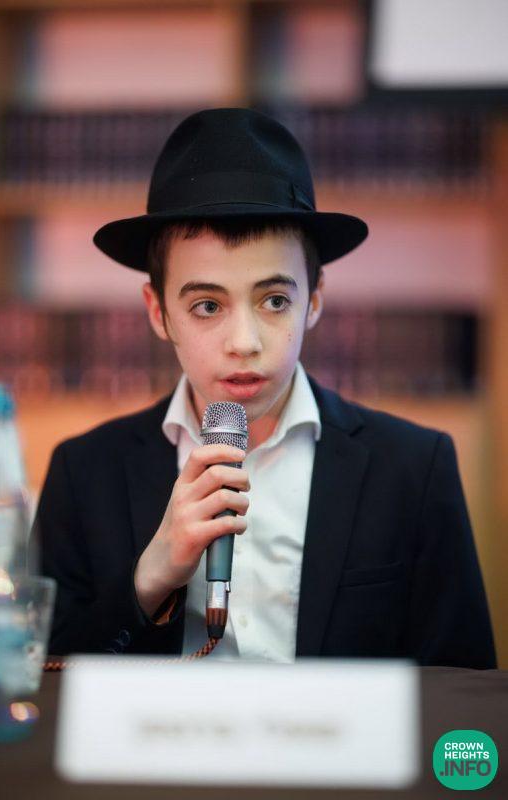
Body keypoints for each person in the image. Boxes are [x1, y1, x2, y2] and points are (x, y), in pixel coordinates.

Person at [34, 107, 496, 667]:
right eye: (207, 306)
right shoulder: (84, 473)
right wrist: (149, 580)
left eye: (274, 301)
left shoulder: (413, 468)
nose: (244, 342)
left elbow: (462, 687)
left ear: (315, 300)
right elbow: (42, 677)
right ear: (159, 312)